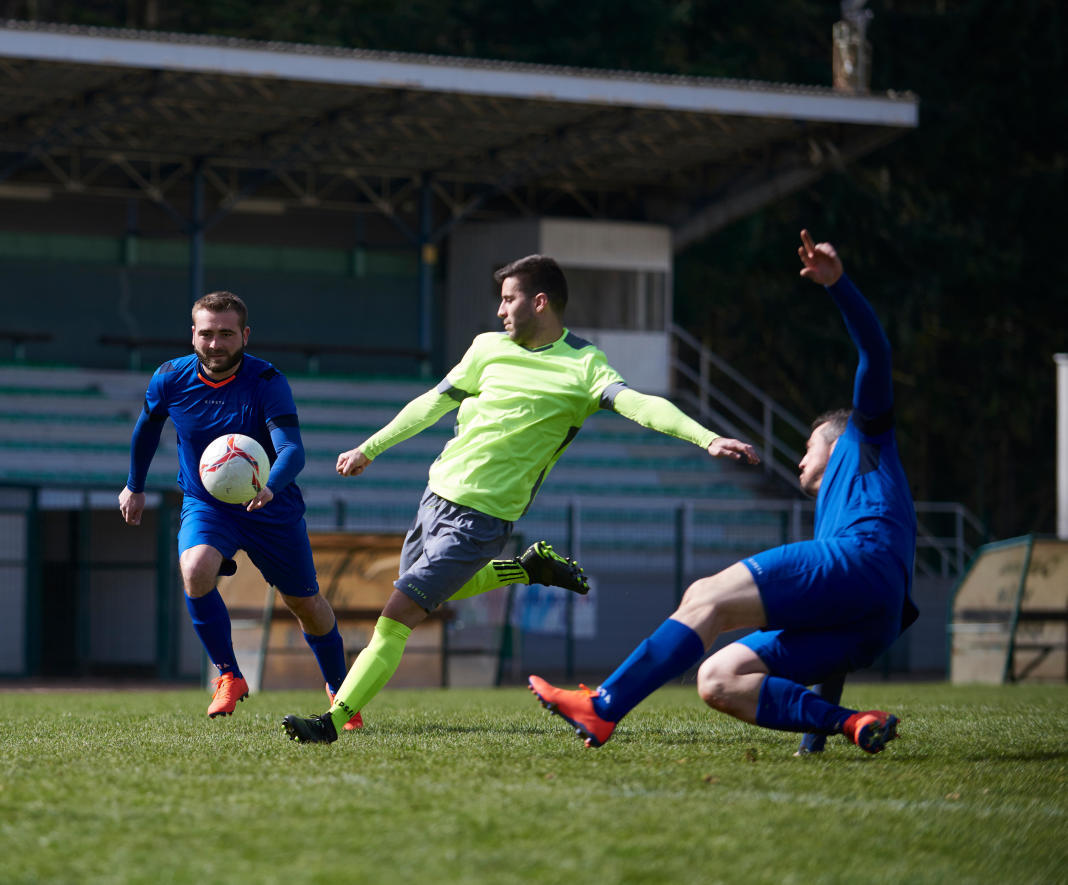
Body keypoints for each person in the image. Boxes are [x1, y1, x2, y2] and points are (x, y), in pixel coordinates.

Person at [281, 254, 759, 743]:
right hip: (435, 495)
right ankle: (527, 569)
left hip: (483, 518)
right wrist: (370, 447)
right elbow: (433, 401)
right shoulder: (486, 348)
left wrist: (705, 438)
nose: (500, 310)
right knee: (431, 594)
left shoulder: (583, 365)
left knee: (398, 614)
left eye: (509, 299)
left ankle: (333, 721)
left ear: (540, 302)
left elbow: (638, 403)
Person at [528, 230, 918, 754]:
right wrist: (814, 743)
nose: (801, 458)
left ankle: (603, 708)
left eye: (807, 445)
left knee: (705, 597)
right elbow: (835, 643)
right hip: (875, 619)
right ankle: (853, 724)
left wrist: (838, 285)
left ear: (835, 437)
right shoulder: (841, 509)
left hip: (863, 565)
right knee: (718, 678)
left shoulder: (864, 435)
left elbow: (875, 351)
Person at [118, 291, 360, 726]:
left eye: (226, 334)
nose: (216, 344)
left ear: (245, 335)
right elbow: (146, 431)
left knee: (306, 605)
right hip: (207, 505)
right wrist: (134, 486)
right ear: (192, 334)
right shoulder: (169, 378)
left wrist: (270, 486)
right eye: (207, 334)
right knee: (194, 569)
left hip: (271, 505)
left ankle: (342, 693)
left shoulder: (267, 381)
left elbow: (292, 450)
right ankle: (229, 675)